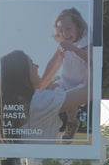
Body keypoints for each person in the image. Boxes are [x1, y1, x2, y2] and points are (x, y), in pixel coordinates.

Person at [0, 50, 89, 143]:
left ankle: (71, 122)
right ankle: (71, 122)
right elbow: (88, 92)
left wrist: (59, 52)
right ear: (24, 74)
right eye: (32, 64)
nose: (37, 66)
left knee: (55, 90)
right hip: (41, 157)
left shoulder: (15, 104)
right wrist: (91, 61)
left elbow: (41, 84)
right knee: (59, 92)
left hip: (31, 155)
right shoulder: (37, 102)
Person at [37, 8, 90, 140]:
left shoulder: (85, 42)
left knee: (67, 100)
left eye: (68, 29)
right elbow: (53, 64)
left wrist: (73, 49)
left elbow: (92, 59)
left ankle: (72, 122)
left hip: (82, 84)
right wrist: (40, 86)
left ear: (78, 26)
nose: (65, 34)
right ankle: (57, 120)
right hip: (66, 81)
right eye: (61, 31)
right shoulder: (63, 44)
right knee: (46, 93)